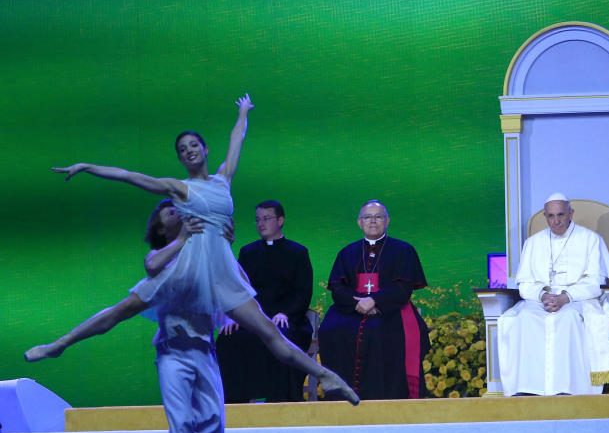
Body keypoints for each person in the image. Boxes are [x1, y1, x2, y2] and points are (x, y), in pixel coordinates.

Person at [34, 93, 358, 405]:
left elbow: (236, 142)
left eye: (193, 145)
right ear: (179, 158)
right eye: (182, 149)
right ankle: (60, 344)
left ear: (204, 148)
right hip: (189, 267)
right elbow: (130, 176)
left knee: (268, 331)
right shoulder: (178, 187)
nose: (188, 150)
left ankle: (323, 374)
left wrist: (243, 113)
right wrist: (87, 166)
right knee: (123, 309)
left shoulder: (222, 180)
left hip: (220, 270)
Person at [26, 199, 228, 433]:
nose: (176, 213)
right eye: (169, 213)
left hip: (202, 343)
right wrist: (182, 239)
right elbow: (152, 264)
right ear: (161, 229)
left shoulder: (204, 252)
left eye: (178, 210)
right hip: (170, 321)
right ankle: (60, 344)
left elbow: (236, 283)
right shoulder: (160, 255)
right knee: (116, 313)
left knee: (214, 425)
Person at [497, 193, 609, 396]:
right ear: (546, 216)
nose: (556, 221)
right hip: (540, 301)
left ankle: (568, 388)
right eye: (551, 216)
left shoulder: (590, 239)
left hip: (577, 300)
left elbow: (596, 283)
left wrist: (565, 297)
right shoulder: (534, 243)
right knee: (525, 318)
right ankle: (529, 388)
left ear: (570, 213)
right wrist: (543, 296)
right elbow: (525, 283)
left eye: (561, 214)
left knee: (568, 318)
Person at [316, 200, 429, 400]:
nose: (373, 221)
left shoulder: (403, 250)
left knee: (384, 334)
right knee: (330, 330)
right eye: (367, 217)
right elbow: (338, 288)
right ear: (360, 223)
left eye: (378, 217)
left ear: (387, 221)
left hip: (391, 310)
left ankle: (389, 396)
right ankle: (339, 395)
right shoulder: (347, 252)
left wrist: (375, 301)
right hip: (352, 310)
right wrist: (357, 304)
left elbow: (404, 287)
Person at [217, 200, 314, 402]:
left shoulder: (298, 252)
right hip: (253, 318)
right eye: (258, 219)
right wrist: (234, 316)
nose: (261, 223)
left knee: (282, 339)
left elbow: (303, 292)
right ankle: (234, 404)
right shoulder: (248, 252)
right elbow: (238, 289)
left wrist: (286, 313)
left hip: (287, 319)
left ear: (280, 220)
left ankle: (283, 402)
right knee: (228, 339)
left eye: (267, 218)